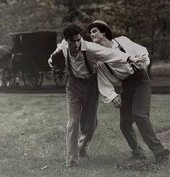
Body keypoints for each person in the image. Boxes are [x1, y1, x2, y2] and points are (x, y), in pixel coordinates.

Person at [48, 23, 143, 167]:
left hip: (91, 86)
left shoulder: (90, 48)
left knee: (90, 125)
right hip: (73, 87)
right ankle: (71, 161)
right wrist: (53, 63)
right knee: (73, 122)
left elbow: (112, 54)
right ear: (67, 40)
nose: (76, 43)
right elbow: (52, 60)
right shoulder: (63, 47)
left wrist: (129, 58)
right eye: (72, 41)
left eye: (78, 39)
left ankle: (82, 145)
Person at [87, 20, 170, 164]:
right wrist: (113, 97)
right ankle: (137, 153)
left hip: (141, 80)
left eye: (94, 31)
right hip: (126, 86)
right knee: (125, 124)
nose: (91, 34)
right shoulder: (101, 61)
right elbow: (103, 83)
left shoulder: (122, 41)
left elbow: (142, 50)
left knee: (140, 115)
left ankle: (160, 152)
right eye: (90, 33)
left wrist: (142, 60)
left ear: (104, 32)